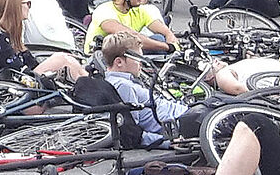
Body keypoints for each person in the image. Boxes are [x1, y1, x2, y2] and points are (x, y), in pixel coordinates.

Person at [100, 33, 240, 145]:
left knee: (227, 103)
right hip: (180, 123)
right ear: (119, 62)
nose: (141, 64)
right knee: (237, 111)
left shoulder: (118, 82)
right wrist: (167, 142)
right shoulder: (123, 86)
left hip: (186, 114)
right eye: (138, 60)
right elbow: (133, 129)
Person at [0, 0, 87, 81]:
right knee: (61, 58)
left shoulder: (9, 31)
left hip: (14, 85)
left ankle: (88, 85)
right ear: (15, 7)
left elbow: (31, 63)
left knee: (66, 59)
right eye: (27, 3)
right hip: (1, 92)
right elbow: (19, 71)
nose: (29, 7)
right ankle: (88, 87)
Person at [85, 0, 177, 53]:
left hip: (125, 53)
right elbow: (132, 38)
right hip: (101, 59)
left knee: (159, 38)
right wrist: (167, 47)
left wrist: (170, 37)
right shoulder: (104, 11)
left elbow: (163, 30)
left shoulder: (139, 11)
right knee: (156, 44)